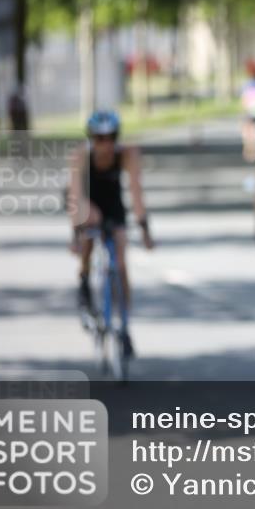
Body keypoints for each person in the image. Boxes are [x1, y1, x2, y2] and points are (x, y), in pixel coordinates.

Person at [68, 110, 154, 355]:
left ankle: (124, 325)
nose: (105, 144)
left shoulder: (126, 154)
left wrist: (145, 230)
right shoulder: (82, 156)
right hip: (87, 201)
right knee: (87, 236)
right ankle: (84, 282)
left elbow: (136, 195)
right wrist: (75, 234)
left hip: (113, 205)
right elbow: (75, 196)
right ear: (91, 138)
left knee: (121, 259)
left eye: (110, 138)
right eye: (99, 138)